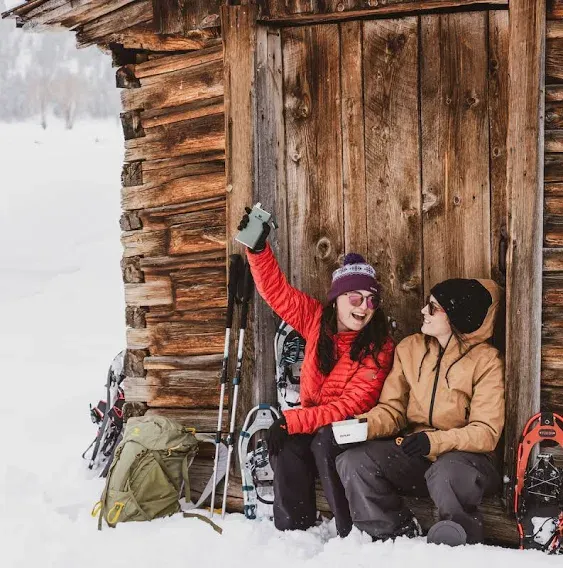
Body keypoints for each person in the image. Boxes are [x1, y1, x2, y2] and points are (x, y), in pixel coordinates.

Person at [238, 210, 395, 537]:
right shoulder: (315, 320)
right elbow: (276, 292)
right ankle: (293, 531)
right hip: (315, 420)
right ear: (337, 299)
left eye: (371, 300)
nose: (363, 307)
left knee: (321, 439)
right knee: (289, 446)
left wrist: (292, 420)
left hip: (354, 430)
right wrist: (257, 249)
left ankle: (347, 529)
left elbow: (350, 406)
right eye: (355, 297)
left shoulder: (378, 346)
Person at [336, 278, 505, 546]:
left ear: (456, 317)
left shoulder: (486, 362)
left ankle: (460, 542)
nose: (423, 311)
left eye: (433, 307)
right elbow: (393, 409)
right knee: (355, 461)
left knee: (447, 472)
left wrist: (434, 441)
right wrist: (362, 425)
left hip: (467, 463)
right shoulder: (410, 349)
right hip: (416, 452)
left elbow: (486, 432)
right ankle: (392, 535)